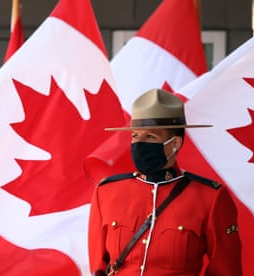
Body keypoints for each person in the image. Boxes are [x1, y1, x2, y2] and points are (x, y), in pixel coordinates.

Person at [88, 88, 242, 276]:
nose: (139, 144)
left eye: (150, 137)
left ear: (175, 143)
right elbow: (97, 268)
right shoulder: (106, 192)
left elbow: (226, 271)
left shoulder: (210, 198)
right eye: (135, 136)